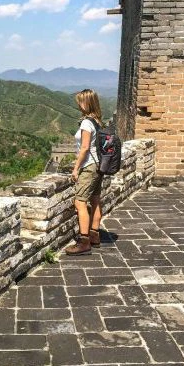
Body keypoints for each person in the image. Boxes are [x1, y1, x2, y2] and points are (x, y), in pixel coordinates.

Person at [65, 89, 103, 256]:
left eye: (80, 101)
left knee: (80, 203)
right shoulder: (97, 121)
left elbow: (85, 148)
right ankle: (95, 235)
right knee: (95, 200)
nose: (78, 105)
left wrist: (76, 168)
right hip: (99, 165)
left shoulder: (87, 123)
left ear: (87, 103)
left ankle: (84, 241)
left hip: (89, 166)